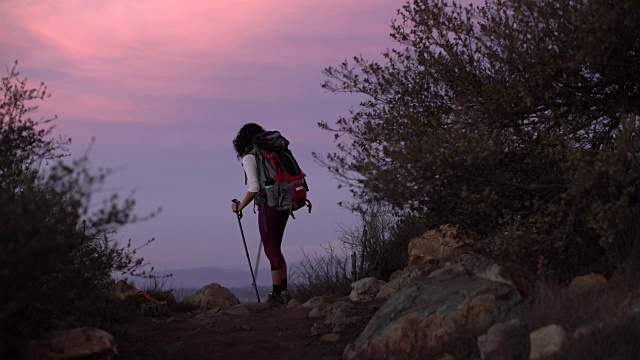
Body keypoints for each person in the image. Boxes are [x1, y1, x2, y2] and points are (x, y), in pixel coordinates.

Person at [232, 123, 291, 306]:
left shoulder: (250, 157)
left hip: (269, 205)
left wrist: (240, 206)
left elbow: (255, 188)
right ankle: (284, 292)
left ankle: (277, 295)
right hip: (284, 201)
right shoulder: (273, 151)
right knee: (277, 247)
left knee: (271, 249)